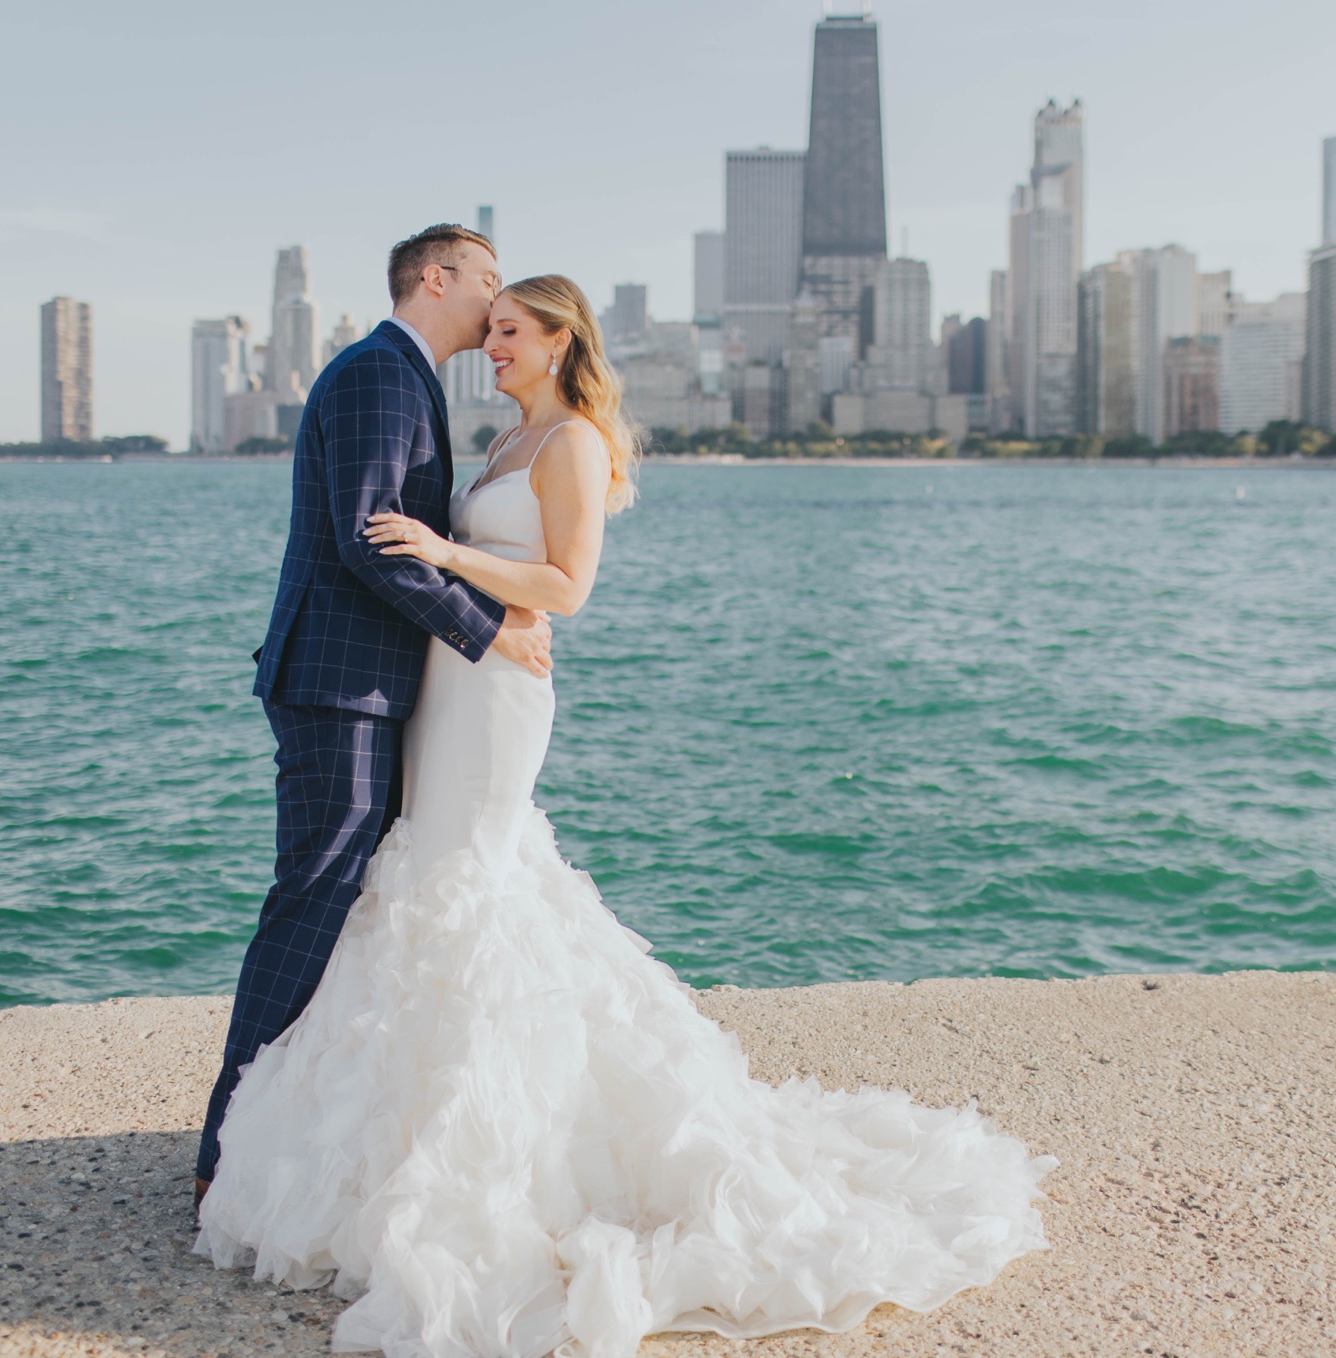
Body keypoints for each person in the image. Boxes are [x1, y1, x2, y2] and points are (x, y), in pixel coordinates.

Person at [194, 272, 1058, 1358]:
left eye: (510, 332)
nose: (492, 345)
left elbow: (565, 585)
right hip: (453, 679)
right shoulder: (506, 441)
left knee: (473, 873)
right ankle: (391, 1130)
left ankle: (504, 1142)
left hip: (499, 689)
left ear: (560, 342)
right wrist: (461, 587)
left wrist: (449, 555)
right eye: (490, 326)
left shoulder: (573, 445)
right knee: (422, 875)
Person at [194, 223, 552, 1203]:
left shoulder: (405, 376)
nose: (494, 297)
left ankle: (299, 1126)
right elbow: (367, 541)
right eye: (483, 279)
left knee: (347, 902)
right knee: (312, 900)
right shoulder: (378, 374)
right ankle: (227, 1150)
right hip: (337, 683)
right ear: (434, 278)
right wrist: (485, 629)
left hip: (369, 682)